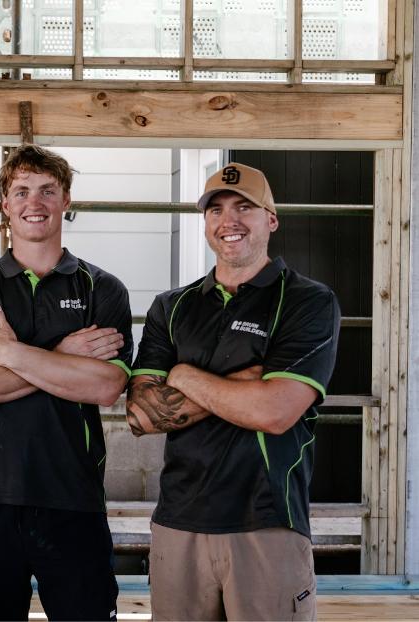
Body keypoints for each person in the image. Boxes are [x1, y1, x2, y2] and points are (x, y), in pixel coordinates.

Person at [126, 162, 341, 621]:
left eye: (245, 207)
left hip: (267, 522)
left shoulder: (307, 300)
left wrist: (184, 376)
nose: (230, 221)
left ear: (272, 219)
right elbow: (142, 416)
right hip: (178, 523)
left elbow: (277, 410)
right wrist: (246, 382)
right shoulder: (172, 306)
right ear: (205, 222)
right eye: (216, 209)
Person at [0, 144, 132, 621]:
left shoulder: (101, 289)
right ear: (5, 203)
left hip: (72, 492)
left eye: (47, 190)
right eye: (21, 191)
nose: (34, 202)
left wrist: (11, 354)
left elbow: (105, 387)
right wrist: (62, 358)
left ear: (66, 200)